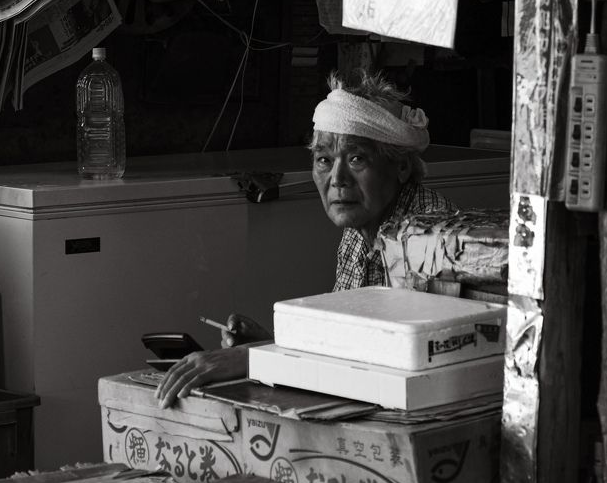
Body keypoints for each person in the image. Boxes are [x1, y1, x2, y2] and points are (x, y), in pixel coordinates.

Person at [155, 68, 454, 409]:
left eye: (356, 158)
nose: (337, 179)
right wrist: (272, 346)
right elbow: (345, 348)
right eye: (324, 160)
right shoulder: (360, 233)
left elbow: (397, 363)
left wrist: (256, 357)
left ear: (400, 167)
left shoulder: (429, 233)